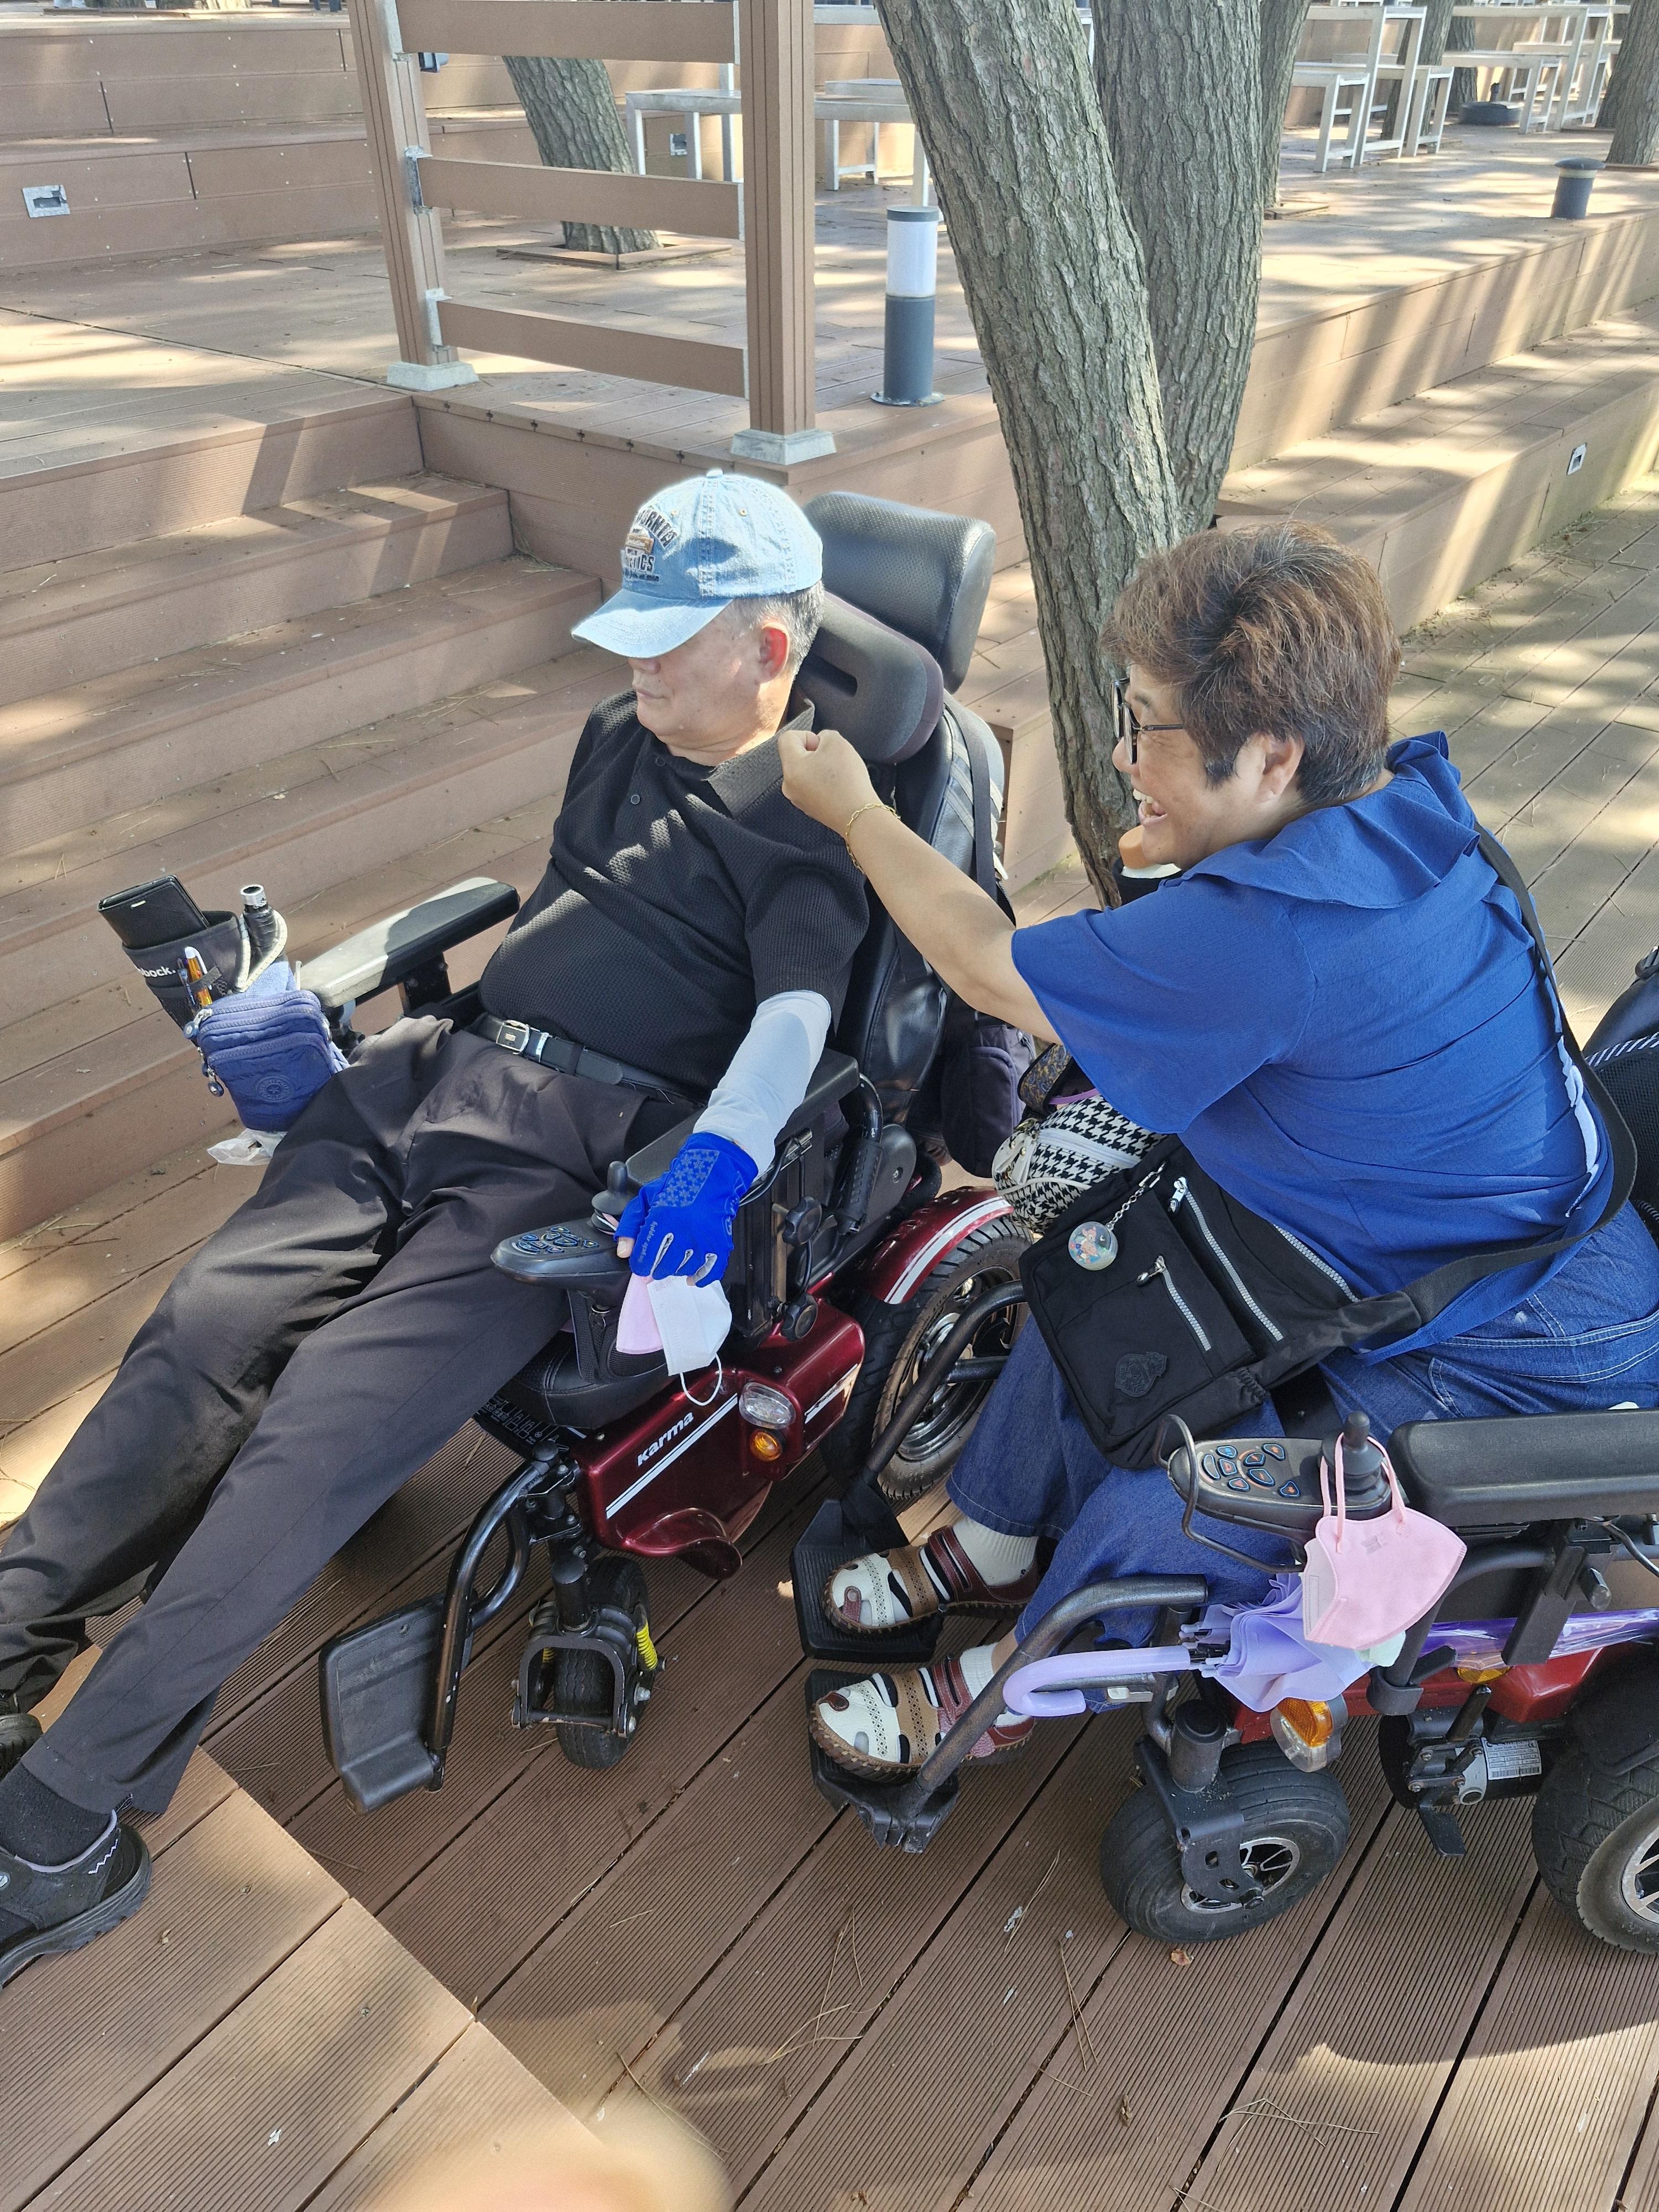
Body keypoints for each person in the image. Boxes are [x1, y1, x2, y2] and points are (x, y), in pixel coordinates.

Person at [0, 472, 865, 1980]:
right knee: (200, 1329)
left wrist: (719, 1158)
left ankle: (70, 1810)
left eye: (668, 639)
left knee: (323, 1424)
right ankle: (15, 1630)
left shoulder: (811, 816)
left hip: (575, 1160)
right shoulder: (621, 733)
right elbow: (563, 915)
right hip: (426, 1079)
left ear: (770, 650)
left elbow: (795, 1015)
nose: (635, 663)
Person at [779, 519, 1659, 1778]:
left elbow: (981, 963)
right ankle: (994, 1535)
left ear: (1275, 756)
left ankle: (1013, 1681)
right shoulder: (1402, 807)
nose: (1121, 755)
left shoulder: (1269, 936)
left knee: (1201, 1493)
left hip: (1526, 1335)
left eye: (1147, 727)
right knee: (1091, 1275)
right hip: (1428, 1238)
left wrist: (857, 809)